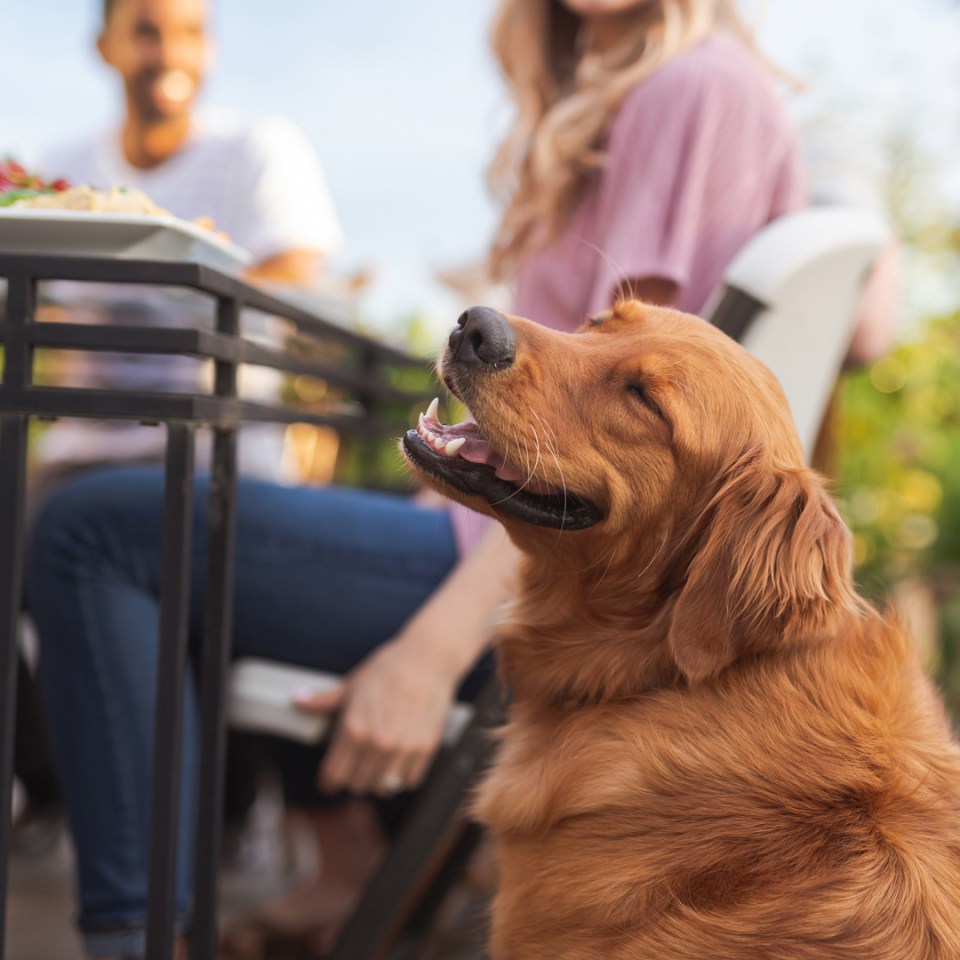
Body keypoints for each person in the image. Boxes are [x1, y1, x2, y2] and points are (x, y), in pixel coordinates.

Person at [24, 0, 824, 956]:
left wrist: (436, 648)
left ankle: (135, 941)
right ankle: (345, 863)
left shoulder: (691, 89)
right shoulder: (674, 86)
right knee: (254, 513)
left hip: (519, 573)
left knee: (93, 532)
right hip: (492, 534)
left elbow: (645, 420)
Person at [12, 0, 343, 879]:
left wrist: (141, 295)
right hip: (84, 448)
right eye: (150, 27)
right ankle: (49, 791)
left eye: (190, 29)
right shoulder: (61, 168)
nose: (170, 50)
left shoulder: (256, 152)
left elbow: (296, 275)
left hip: (216, 448)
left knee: (148, 569)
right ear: (105, 45)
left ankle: (207, 826)